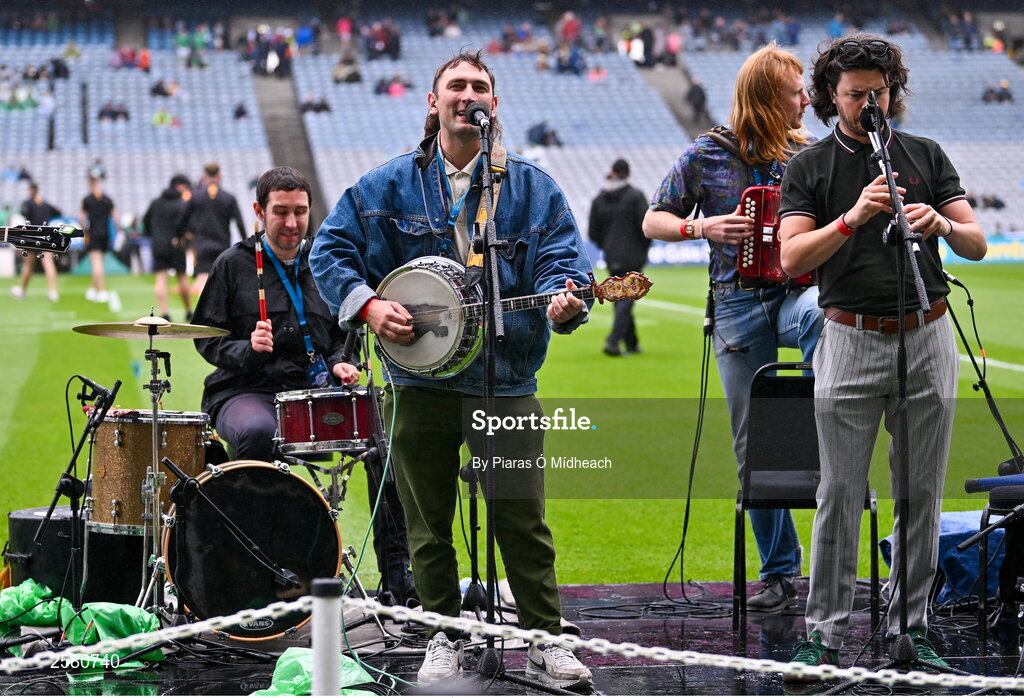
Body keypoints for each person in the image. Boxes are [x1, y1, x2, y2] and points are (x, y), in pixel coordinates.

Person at [309, 51, 594, 689]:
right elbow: (329, 250)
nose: (470, 95)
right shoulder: (386, 186)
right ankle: (444, 634)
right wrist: (370, 305)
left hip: (506, 376)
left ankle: (545, 642)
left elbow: (561, 265)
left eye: (481, 87)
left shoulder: (532, 189)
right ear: (433, 104)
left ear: (495, 106)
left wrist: (565, 302)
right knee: (427, 519)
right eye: (457, 86)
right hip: (418, 381)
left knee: (520, 513)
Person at [776, 34, 988, 679]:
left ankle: (911, 628)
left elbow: (976, 243)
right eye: (854, 94)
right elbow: (790, 258)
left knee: (920, 492)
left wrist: (943, 225)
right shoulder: (810, 166)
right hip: (847, 336)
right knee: (840, 492)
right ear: (828, 99)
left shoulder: (924, 153)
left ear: (893, 90)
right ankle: (825, 635)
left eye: (879, 92)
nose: (870, 104)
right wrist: (850, 218)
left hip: (927, 332)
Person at [643, 42, 824, 612]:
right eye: (798, 92)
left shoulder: (810, 154)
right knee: (754, 445)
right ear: (772, 97)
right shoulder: (706, 153)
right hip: (736, 305)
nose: (807, 101)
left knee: (824, 316)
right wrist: (702, 229)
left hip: (795, 294)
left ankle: (829, 413)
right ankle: (779, 573)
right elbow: (654, 219)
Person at [191, 166, 415, 604]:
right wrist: (246, 348)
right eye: (280, 212)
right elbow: (204, 335)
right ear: (259, 211)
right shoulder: (233, 264)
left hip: (315, 392)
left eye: (300, 212)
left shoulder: (326, 265)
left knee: (383, 444)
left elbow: (340, 338)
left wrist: (340, 365)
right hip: (245, 391)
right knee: (256, 435)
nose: (291, 224)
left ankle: (398, 575)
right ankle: (258, 572)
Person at [589, 158, 650, 356]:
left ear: (612, 172)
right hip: (633, 254)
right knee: (627, 297)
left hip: (611, 255)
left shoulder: (599, 199)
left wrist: (606, 246)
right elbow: (646, 227)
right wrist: (642, 248)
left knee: (622, 296)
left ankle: (632, 343)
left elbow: (592, 232)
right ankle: (613, 342)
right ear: (628, 173)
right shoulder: (635, 196)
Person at [176, 162, 246, 297]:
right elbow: (239, 223)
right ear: (219, 176)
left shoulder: (195, 196)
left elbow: (182, 219)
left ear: (205, 175)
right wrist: (245, 242)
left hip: (202, 245)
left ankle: (206, 313)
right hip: (223, 244)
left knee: (202, 278)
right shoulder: (228, 197)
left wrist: (179, 237)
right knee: (223, 279)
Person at [143, 174, 193, 321]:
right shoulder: (181, 204)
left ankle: (165, 313)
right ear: (180, 186)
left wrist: (153, 235)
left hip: (159, 244)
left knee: (161, 277)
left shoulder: (156, 203)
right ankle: (189, 310)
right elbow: (186, 224)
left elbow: (146, 220)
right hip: (177, 243)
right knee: (182, 276)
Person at [11, 182, 61, 302]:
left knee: (28, 265)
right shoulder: (45, 204)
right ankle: (53, 292)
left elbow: (23, 214)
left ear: (31, 190)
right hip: (46, 236)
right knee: (48, 263)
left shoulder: (28, 203)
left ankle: (22, 290)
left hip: (33, 237)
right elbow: (58, 212)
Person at [80, 176, 117, 303]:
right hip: (105, 234)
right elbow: (115, 217)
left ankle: (102, 291)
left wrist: (84, 232)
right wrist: (119, 232)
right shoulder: (107, 199)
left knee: (96, 264)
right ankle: (92, 289)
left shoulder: (87, 199)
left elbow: (82, 218)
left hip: (94, 233)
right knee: (99, 262)